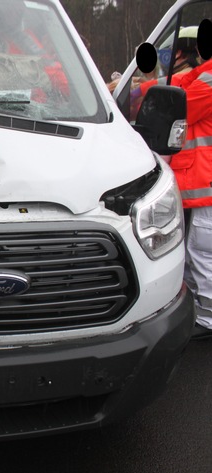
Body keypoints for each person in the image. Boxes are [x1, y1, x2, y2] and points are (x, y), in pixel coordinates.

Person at [170, 21, 212, 340]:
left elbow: (179, 105)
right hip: (202, 189)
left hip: (206, 190)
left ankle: (208, 320)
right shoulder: (204, 76)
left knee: (202, 255)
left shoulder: (207, 82)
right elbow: (183, 83)